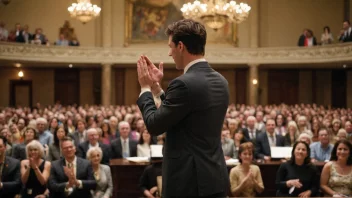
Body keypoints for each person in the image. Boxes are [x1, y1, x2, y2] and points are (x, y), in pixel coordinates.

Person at [136, 19, 229, 197]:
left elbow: (155, 125)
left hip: (188, 182)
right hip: (214, 177)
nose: (170, 53)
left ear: (180, 46)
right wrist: (157, 88)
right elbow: (182, 114)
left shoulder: (183, 84)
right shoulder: (221, 81)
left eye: (170, 47)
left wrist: (145, 88)